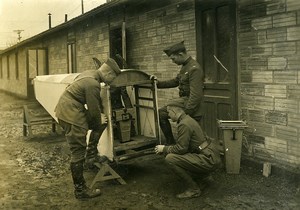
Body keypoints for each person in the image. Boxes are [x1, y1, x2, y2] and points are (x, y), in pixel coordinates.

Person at [55, 58, 121, 200]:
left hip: (68, 109)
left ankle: (91, 156)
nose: (111, 82)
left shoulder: (90, 73)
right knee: (78, 151)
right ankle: (80, 190)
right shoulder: (93, 84)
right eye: (112, 78)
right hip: (71, 114)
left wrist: (99, 121)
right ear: (108, 73)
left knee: (101, 123)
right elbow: (93, 110)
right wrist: (98, 120)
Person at [154, 101, 221, 199]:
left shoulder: (184, 124)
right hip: (209, 155)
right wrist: (168, 149)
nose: (168, 115)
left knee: (170, 159)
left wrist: (164, 148)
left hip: (208, 159)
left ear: (175, 112)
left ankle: (194, 189)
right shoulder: (188, 119)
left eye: (169, 112)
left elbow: (181, 149)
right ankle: (204, 178)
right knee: (173, 154)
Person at [151, 41, 204, 145]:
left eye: (173, 58)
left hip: (190, 103)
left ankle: (171, 144)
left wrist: (186, 114)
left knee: (161, 113)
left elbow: (196, 95)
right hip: (184, 101)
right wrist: (156, 83)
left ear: (180, 54)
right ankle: (171, 143)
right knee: (161, 113)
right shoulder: (185, 66)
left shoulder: (194, 69)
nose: (172, 61)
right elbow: (176, 81)